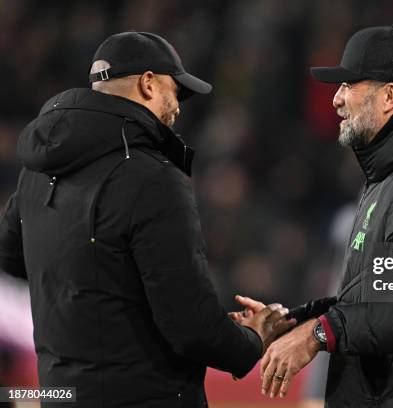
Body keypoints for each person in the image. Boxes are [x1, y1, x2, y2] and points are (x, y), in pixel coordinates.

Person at [0, 31, 294, 407]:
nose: (178, 108)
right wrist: (253, 339)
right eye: (176, 91)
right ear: (148, 83)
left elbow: (13, 257)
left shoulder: (37, 172)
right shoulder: (152, 177)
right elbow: (191, 327)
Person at [236, 25, 393, 407]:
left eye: (348, 85)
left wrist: (318, 335)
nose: (336, 99)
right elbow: (380, 297)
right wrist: (296, 321)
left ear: (389, 95)